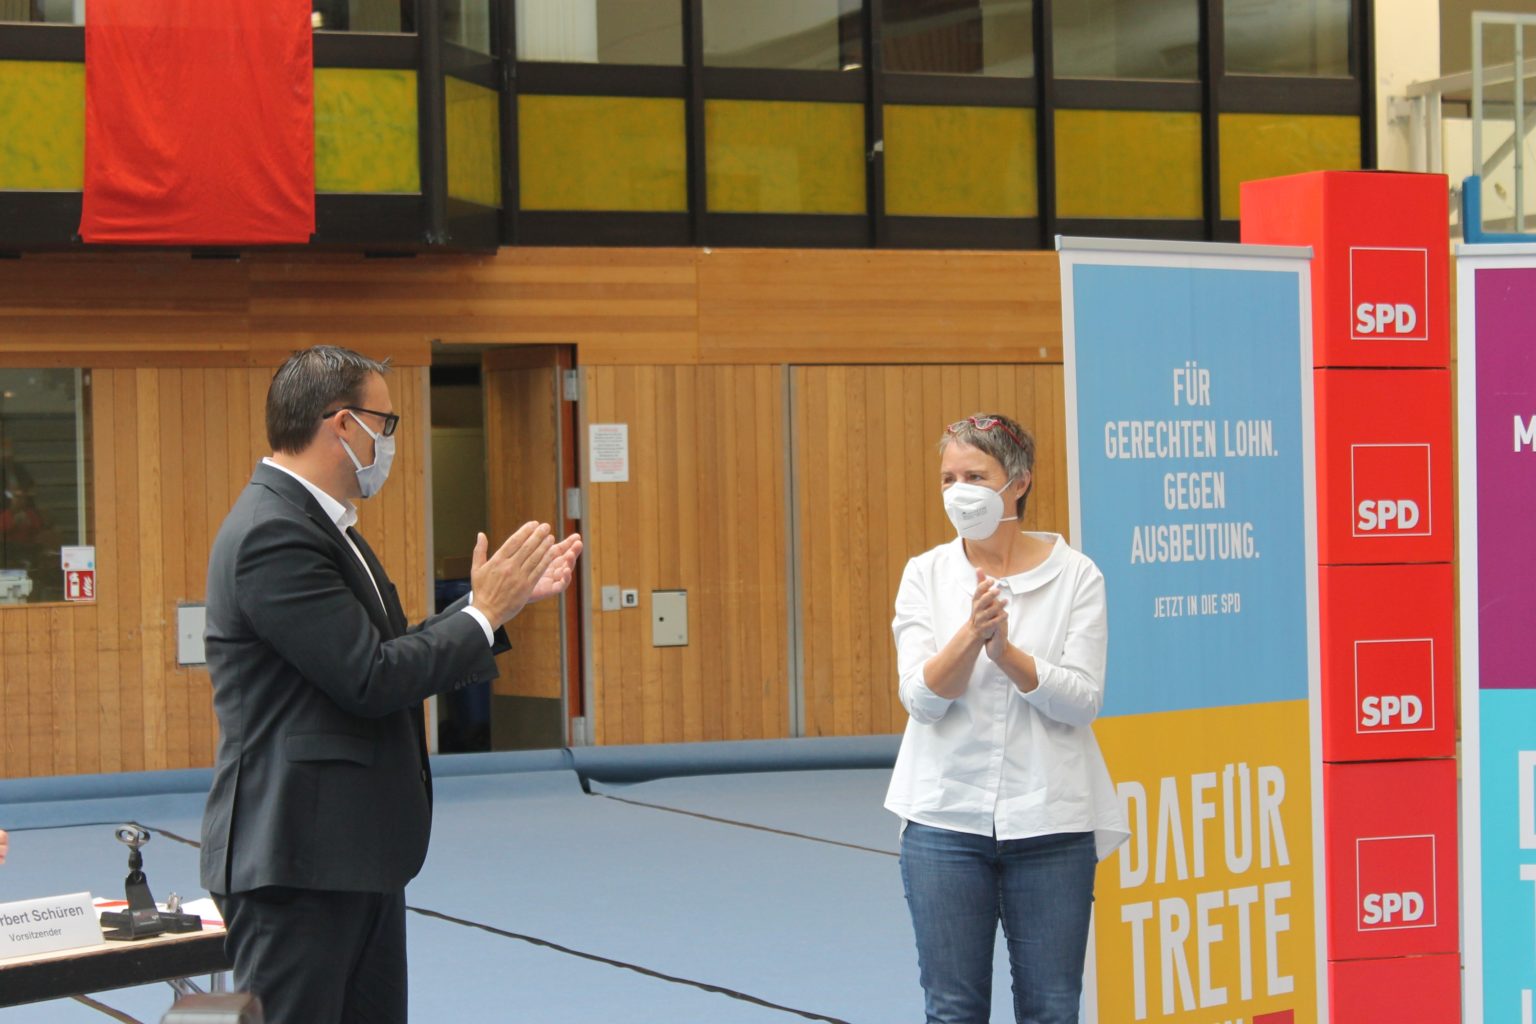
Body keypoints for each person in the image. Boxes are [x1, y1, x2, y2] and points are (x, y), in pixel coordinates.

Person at [199, 346, 581, 1024]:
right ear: (344, 425)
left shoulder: (326, 526)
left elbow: (381, 653)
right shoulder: (273, 533)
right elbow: (370, 679)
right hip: (298, 860)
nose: (392, 442)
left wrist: (493, 614)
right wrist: (480, 612)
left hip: (349, 853)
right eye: (388, 422)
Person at [885, 413, 1128, 1024]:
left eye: (975, 475)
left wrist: (1010, 655)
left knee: (1050, 1006)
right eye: (947, 478)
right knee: (952, 1008)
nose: (958, 490)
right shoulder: (925, 575)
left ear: (1017, 482)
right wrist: (971, 635)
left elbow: (1082, 699)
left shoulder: (1077, 575)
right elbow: (920, 697)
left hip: (1051, 824)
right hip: (944, 821)